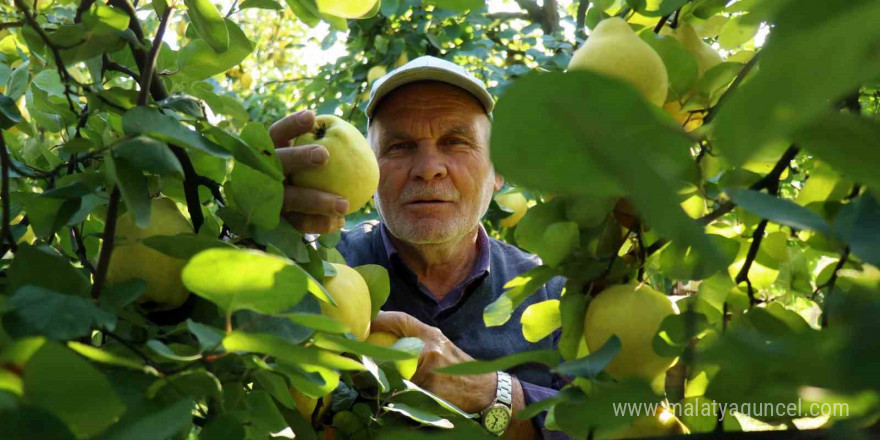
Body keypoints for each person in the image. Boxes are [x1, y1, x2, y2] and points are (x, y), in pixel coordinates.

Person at [270, 56, 567, 440]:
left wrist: (494, 395)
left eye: (455, 142)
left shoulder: (552, 295)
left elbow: (609, 423)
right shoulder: (312, 271)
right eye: (400, 146)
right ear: (369, 168)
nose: (428, 168)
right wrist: (259, 235)